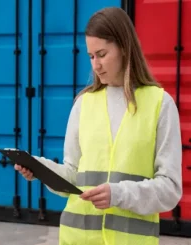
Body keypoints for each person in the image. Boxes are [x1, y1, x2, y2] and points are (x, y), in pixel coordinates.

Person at [14, 7, 182, 245]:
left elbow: (170, 189)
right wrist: (39, 168)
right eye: (91, 56)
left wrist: (118, 194)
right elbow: (73, 176)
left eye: (102, 54)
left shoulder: (160, 104)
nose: (96, 65)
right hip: (77, 239)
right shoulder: (84, 104)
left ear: (124, 48)